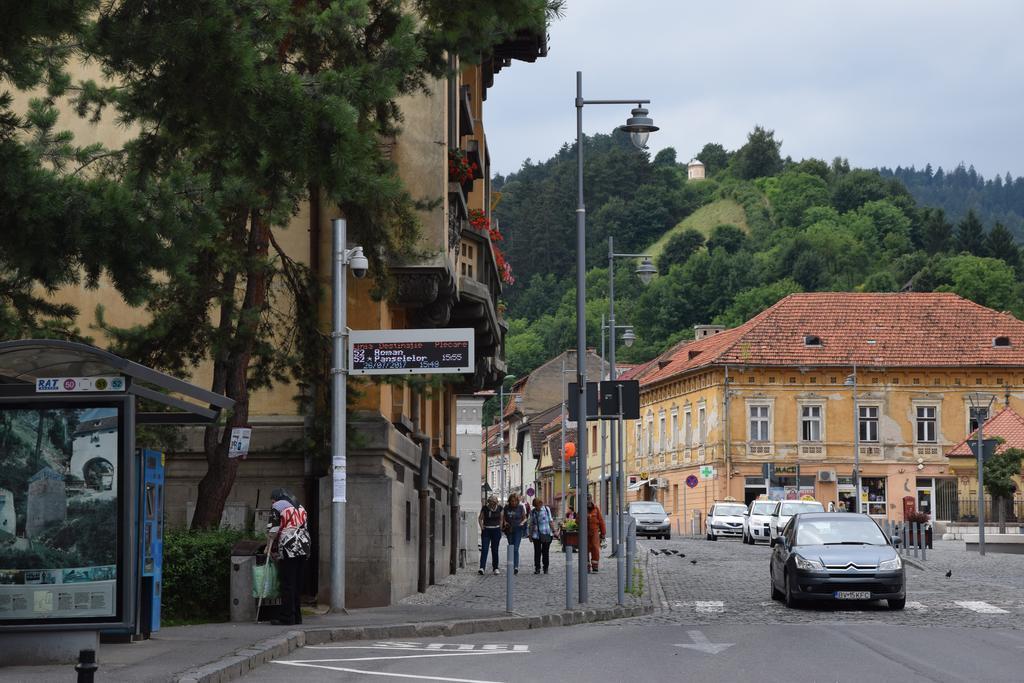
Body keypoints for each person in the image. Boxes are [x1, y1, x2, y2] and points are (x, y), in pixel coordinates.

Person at [266, 488, 310, 625]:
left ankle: (287, 616)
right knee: (297, 582)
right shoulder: (300, 507)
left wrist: (269, 547)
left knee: (287, 583)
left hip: (289, 545)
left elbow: (273, 530)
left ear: (277, 498)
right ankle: (297, 616)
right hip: (304, 544)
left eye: (272, 499)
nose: (272, 502)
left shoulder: (277, 506)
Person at [502, 493, 528, 574]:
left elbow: (525, 518)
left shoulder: (520, 507)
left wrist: (522, 523)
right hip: (509, 529)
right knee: (511, 547)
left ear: (517, 501)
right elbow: (503, 517)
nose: (513, 502)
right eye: (512, 501)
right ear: (509, 501)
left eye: (515, 501)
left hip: (518, 529)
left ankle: (515, 566)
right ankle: (511, 564)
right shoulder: (506, 507)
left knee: (516, 548)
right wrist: (505, 522)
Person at [478, 495, 503, 575]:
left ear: (496, 502)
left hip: (496, 530)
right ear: (489, 502)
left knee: (495, 549)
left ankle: (495, 567)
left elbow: (501, 519)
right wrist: (482, 527)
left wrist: (500, 528)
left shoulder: (499, 508)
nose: (493, 504)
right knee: (485, 549)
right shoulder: (485, 508)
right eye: (491, 502)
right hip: (487, 530)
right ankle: (482, 567)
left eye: (494, 503)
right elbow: (480, 518)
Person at [528, 497, 554, 574]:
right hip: (536, 535)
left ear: (541, 504)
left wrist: (554, 531)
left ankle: (545, 568)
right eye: (535, 506)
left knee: (545, 552)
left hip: (546, 533)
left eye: (538, 505)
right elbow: (531, 524)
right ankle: (537, 568)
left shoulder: (546, 509)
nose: (537, 507)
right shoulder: (532, 512)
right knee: (537, 552)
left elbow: (550, 520)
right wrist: (530, 535)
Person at [586, 500, 606, 573]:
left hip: (594, 532)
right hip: (585, 532)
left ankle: (595, 566)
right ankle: (586, 566)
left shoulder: (596, 509)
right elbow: (577, 520)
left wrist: (603, 533)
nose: (588, 503)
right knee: (585, 549)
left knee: (595, 548)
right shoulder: (582, 508)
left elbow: (601, 521)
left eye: (589, 500)